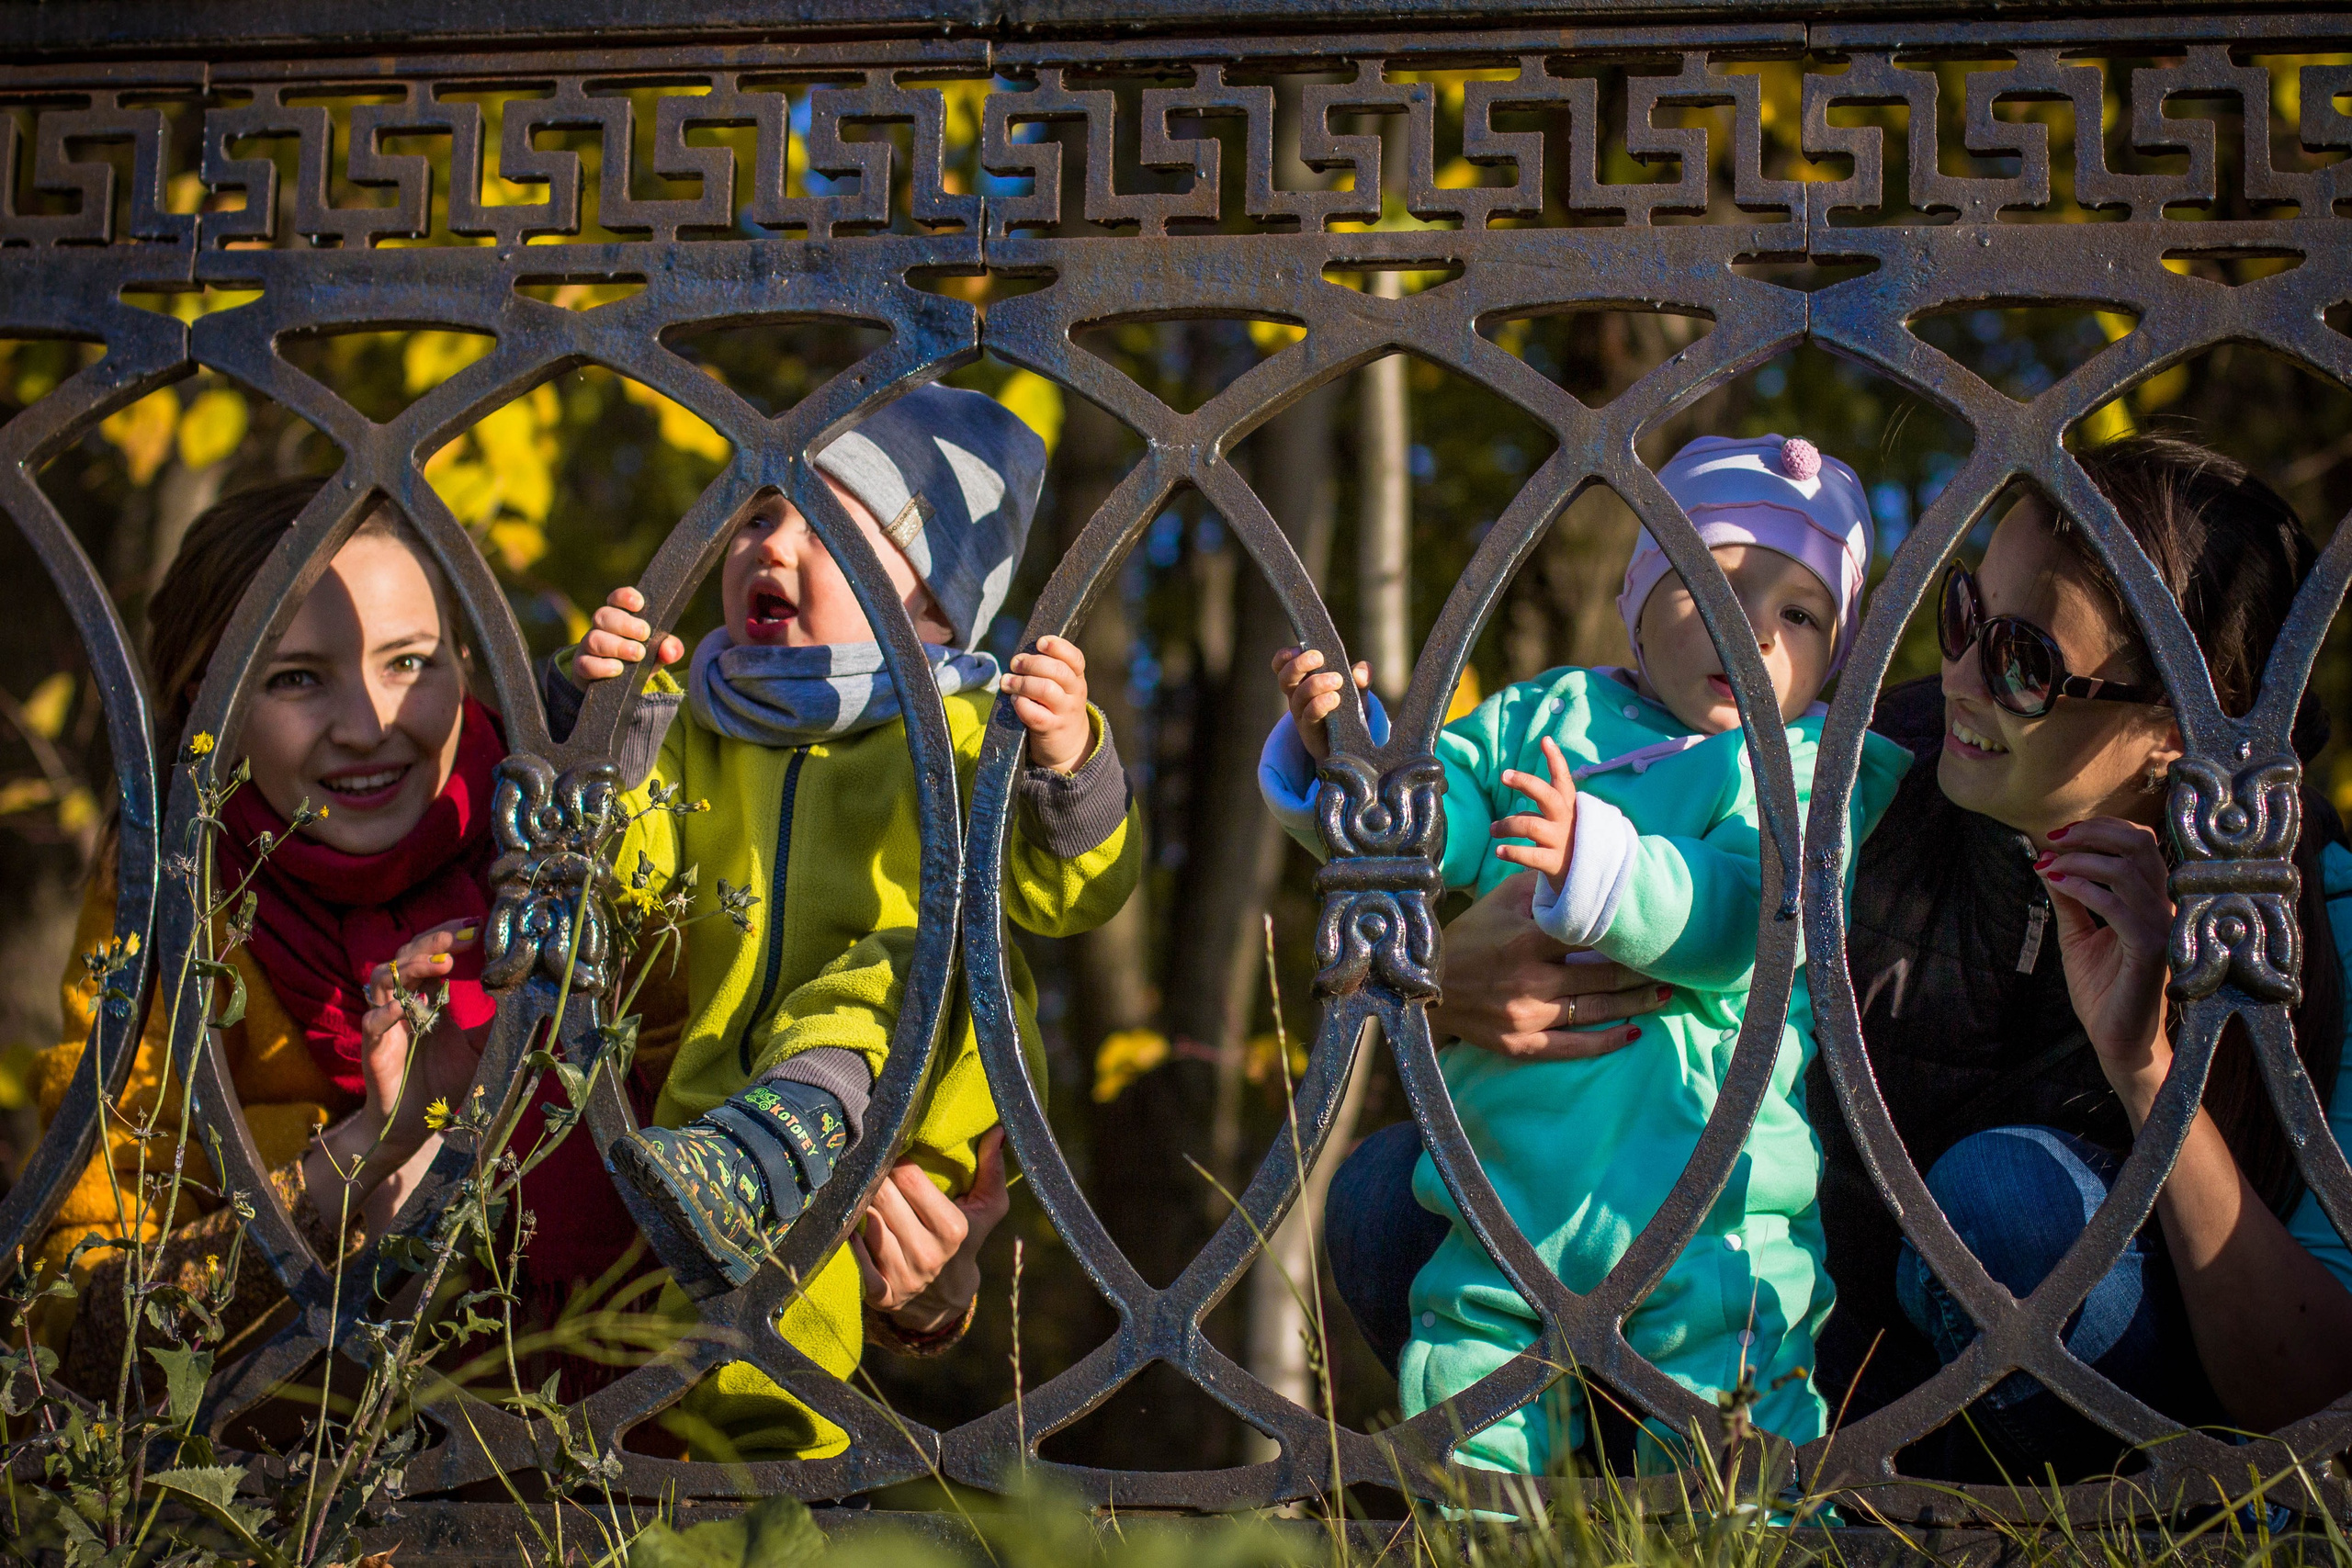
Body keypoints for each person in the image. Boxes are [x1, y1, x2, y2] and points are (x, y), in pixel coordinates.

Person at [1326, 436, 2352, 1480]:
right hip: (1786, 1324)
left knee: (2009, 1202)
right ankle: (1614, 1501)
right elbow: (1659, 913)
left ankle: (1986, 1531)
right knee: (1385, 1199)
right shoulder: (1862, 759)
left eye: (2022, 662)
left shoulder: (2312, 907)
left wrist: (2148, 1070)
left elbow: (2314, 1389)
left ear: (2177, 726)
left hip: (2061, 1396)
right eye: (1960, 615)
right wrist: (1444, 982)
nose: (1957, 676)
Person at [32, 477, 997, 1410]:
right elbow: (81, 1338)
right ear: (209, 698)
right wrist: (370, 1147)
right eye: (295, 679)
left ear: (465, 655)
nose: (371, 727)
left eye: (410, 662)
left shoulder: (601, 825)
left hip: (649, 1473)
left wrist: (926, 1297)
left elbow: (749, 1140)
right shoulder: (168, 908)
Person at [1262, 435, 1914, 1475]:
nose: (1757, 631)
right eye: (1717, 584)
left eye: (1801, 615)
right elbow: (1435, 820)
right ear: (1639, 592)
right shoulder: (1548, 714)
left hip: (1711, 1198)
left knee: (1734, 1445)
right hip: (1511, 1182)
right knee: (1469, 1415)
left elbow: (1748, 914)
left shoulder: (1798, 766)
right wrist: (1347, 755)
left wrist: (1602, 865)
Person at [553, 381, 1141, 1459]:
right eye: (760, 516)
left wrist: (1066, 761)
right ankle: (739, 1476)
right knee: (746, 1334)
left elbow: (1073, 895)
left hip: (911, 1077)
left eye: (826, 527)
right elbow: (632, 883)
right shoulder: (705, 726)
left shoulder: (967, 725)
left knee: (908, 953)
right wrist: (614, 728)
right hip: (730, 1098)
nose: (772, 545)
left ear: (931, 614)